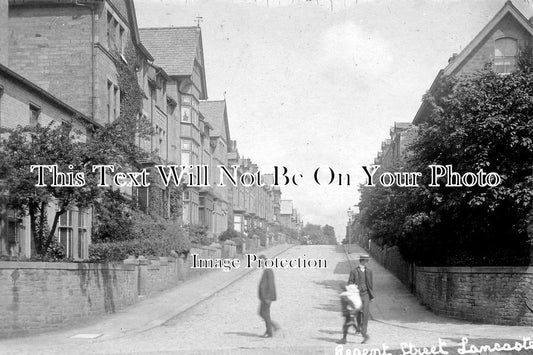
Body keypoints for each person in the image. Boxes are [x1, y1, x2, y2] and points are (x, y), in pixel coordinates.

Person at [347, 254, 374, 344]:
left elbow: (370, 284)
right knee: (358, 313)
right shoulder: (354, 271)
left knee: (365, 313)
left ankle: (364, 331)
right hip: (357, 295)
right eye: (366, 260)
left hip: (366, 294)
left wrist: (371, 295)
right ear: (362, 261)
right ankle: (358, 327)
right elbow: (350, 282)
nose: (367, 262)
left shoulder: (369, 271)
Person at [258, 254, 279, 338]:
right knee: (263, 313)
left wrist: (268, 297)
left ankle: (269, 332)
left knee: (264, 314)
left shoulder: (268, 271)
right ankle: (272, 327)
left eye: (261, 262)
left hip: (266, 297)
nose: (260, 264)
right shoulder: (266, 271)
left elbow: (271, 285)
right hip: (264, 297)